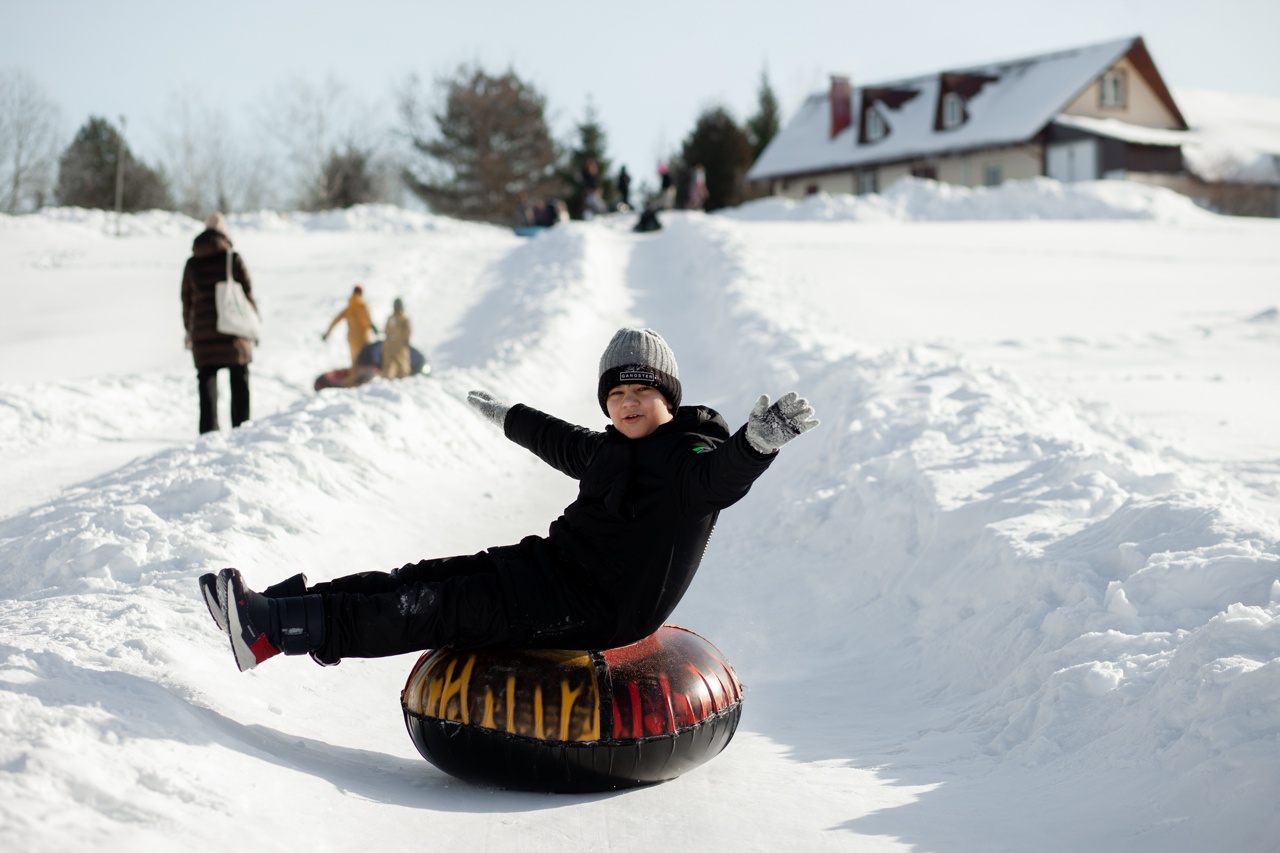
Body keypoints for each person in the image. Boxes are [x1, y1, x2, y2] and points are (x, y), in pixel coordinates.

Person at [199, 327, 819, 672]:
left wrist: (756, 445)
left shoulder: (690, 460)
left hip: (599, 608)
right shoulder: (610, 452)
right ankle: (281, 605)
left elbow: (721, 481)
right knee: (422, 576)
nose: (630, 402)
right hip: (550, 569)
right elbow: (558, 440)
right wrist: (507, 416)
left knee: (434, 606)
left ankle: (272, 634)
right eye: (618, 393)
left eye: (645, 391)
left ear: (669, 400)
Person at [182, 212, 257, 435]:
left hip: (203, 334)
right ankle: (242, 429)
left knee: (206, 381)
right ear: (224, 232)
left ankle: (208, 433)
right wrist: (254, 323)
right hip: (234, 330)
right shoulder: (232, 258)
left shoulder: (192, 264)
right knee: (239, 377)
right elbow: (248, 294)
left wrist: (189, 329)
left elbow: (186, 301)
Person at [323, 285, 378, 367]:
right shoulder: (364, 306)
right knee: (365, 359)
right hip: (363, 337)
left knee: (355, 360)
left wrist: (327, 333)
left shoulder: (349, 308)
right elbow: (369, 320)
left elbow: (335, 320)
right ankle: (364, 376)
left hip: (352, 338)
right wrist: (374, 329)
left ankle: (354, 373)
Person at [381, 297, 413, 380]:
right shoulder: (404, 319)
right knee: (402, 366)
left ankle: (387, 380)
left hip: (389, 346)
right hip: (400, 347)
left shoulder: (390, 318)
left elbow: (386, 331)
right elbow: (407, 332)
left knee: (389, 366)